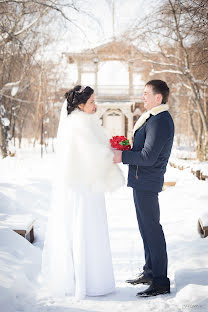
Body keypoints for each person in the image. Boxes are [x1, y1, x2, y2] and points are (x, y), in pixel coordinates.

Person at [40, 85, 124, 299]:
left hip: (89, 187)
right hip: (82, 189)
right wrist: (113, 154)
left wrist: (113, 149)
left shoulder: (86, 121)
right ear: (80, 105)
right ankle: (87, 283)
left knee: (92, 231)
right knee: (84, 230)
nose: (96, 105)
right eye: (92, 102)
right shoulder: (78, 124)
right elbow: (92, 156)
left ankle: (94, 280)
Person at [113, 80, 174, 297]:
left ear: (159, 98)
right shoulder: (153, 118)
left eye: (147, 93)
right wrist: (126, 148)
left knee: (152, 230)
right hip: (142, 180)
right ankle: (150, 272)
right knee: (145, 229)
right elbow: (144, 148)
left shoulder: (160, 121)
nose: (143, 96)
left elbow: (148, 157)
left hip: (147, 181)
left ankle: (160, 281)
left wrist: (122, 156)